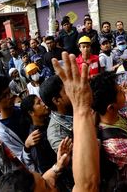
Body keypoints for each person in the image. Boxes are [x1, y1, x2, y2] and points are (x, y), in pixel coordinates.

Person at [52, 51, 99, 191]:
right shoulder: (56, 133)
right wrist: (81, 107)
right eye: (46, 187)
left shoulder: (70, 113)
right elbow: (88, 186)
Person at [20, 95, 56, 173]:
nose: (43, 104)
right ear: (31, 112)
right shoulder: (36, 138)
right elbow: (45, 168)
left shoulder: (48, 120)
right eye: (38, 103)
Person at [40, 75, 74, 153]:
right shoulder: (57, 135)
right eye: (67, 91)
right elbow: (82, 158)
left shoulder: (76, 105)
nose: (72, 91)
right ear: (56, 100)